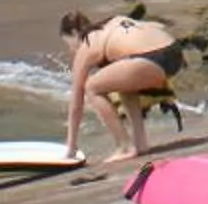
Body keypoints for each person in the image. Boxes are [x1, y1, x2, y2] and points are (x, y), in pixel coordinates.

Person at [59, 9, 184, 164]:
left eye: (69, 43)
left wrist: (71, 146)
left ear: (73, 33)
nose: (71, 50)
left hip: (150, 59)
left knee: (91, 87)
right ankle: (140, 143)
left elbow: (76, 101)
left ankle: (124, 146)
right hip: (174, 52)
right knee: (122, 81)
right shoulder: (112, 22)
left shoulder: (87, 44)